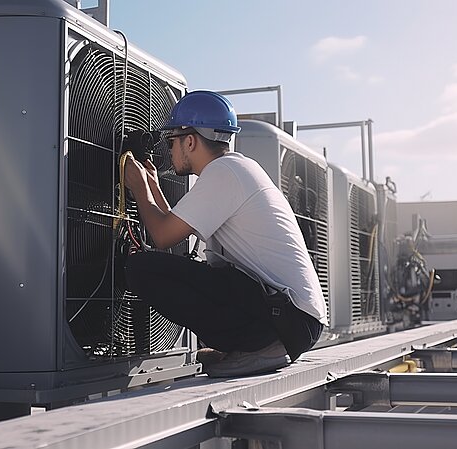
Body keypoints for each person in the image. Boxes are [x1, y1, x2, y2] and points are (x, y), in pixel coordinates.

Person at [123, 90, 327, 377]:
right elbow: (181, 231)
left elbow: (163, 236)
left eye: (172, 142)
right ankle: (245, 345)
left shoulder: (223, 173)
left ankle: (259, 347)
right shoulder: (236, 168)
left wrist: (138, 188)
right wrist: (153, 188)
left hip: (286, 320)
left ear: (190, 141)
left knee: (140, 269)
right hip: (292, 317)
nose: (169, 151)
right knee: (196, 272)